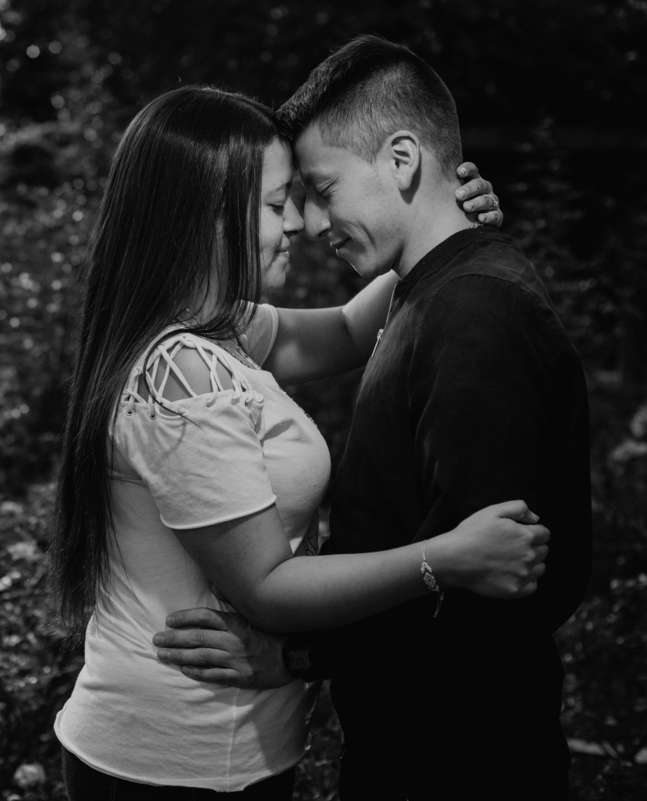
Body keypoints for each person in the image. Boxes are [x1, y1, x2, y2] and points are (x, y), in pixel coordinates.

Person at [51, 84, 548, 800]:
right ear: (205, 215)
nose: (298, 223)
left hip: (226, 746)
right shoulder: (182, 376)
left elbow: (347, 330)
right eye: (277, 202)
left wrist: (439, 224)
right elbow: (269, 591)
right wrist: (447, 558)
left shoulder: (219, 332)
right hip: (175, 762)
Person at [154, 37, 591, 800]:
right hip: (411, 746)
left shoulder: (473, 313)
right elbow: (342, 330)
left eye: (322, 189)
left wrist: (299, 657)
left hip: (458, 760)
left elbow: (483, 594)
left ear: (401, 159)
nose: (310, 221)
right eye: (291, 200)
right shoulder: (428, 291)